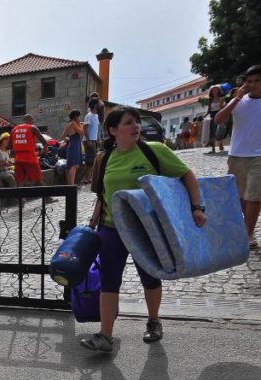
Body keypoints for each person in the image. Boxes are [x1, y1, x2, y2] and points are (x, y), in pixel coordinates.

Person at [83, 108, 207, 353]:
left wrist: (197, 207)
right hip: (111, 229)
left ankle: (154, 321)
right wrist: (92, 223)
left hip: (146, 229)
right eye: (129, 123)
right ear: (113, 130)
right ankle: (105, 336)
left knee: (150, 277)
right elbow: (101, 195)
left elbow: (187, 176)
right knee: (109, 281)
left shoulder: (155, 150)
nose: (136, 126)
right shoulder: (104, 158)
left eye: (137, 122)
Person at [215, 65, 261, 249]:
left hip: (259, 156)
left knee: (254, 197)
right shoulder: (238, 102)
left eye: (257, 81)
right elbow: (218, 119)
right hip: (236, 155)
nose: (253, 84)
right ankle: (246, 226)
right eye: (249, 81)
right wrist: (236, 98)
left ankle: (248, 233)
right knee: (241, 196)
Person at [8, 114, 50, 188]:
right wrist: (45, 148)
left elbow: (9, 146)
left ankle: (21, 198)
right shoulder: (32, 127)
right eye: (32, 120)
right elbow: (43, 140)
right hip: (30, 158)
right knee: (38, 179)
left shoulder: (13, 130)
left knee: (20, 181)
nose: (33, 122)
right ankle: (47, 198)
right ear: (29, 120)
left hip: (18, 159)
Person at [60, 110, 84, 185]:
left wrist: (70, 139)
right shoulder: (74, 123)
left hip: (73, 145)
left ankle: (70, 185)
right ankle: (71, 185)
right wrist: (80, 124)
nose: (79, 118)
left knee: (71, 166)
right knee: (74, 166)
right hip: (75, 146)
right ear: (76, 116)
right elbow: (82, 133)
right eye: (78, 116)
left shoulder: (70, 124)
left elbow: (62, 136)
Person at [83, 100, 101, 184]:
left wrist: (97, 139)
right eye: (98, 104)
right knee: (90, 160)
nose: (100, 105)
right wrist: (89, 140)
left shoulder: (96, 115)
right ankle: (86, 178)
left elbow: (95, 129)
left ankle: (88, 177)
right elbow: (85, 128)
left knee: (92, 159)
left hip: (93, 140)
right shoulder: (88, 116)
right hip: (88, 140)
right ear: (94, 105)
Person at [206, 85, 227, 154]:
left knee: (220, 130)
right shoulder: (210, 99)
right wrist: (205, 115)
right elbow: (208, 109)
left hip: (219, 114)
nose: (214, 91)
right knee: (212, 132)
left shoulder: (222, 98)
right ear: (211, 92)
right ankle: (213, 148)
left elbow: (224, 107)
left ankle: (220, 143)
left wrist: (222, 105)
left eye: (216, 90)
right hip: (212, 115)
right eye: (213, 90)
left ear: (218, 91)